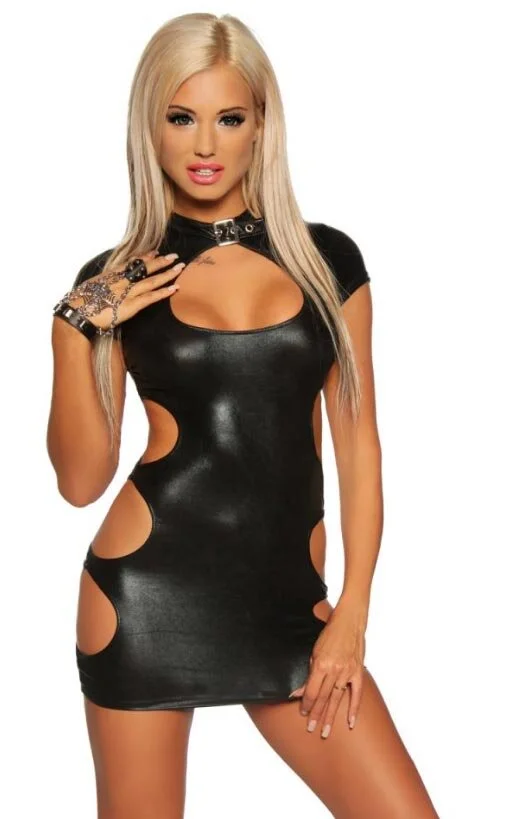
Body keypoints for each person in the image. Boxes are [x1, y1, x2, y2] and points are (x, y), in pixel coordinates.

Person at [47, 12, 439, 819]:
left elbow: (359, 448)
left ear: (262, 124)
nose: (205, 145)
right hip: (148, 594)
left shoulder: (329, 262)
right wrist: (72, 328)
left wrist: (352, 614)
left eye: (229, 118)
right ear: (149, 124)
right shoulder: (118, 280)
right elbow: (81, 481)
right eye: (180, 117)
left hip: (290, 603)